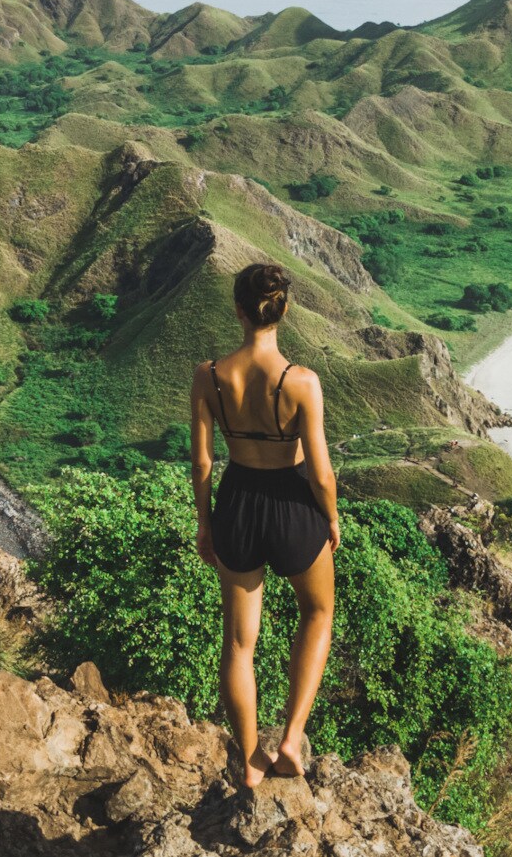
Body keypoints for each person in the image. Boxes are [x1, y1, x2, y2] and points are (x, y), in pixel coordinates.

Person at [189, 262, 338, 788]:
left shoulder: (209, 376)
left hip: (238, 500)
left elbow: (203, 463)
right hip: (294, 501)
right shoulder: (300, 381)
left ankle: (252, 757)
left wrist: (205, 523)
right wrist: (332, 519)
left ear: (237, 308)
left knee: (238, 642)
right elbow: (320, 470)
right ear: (285, 310)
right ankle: (291, 738)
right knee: (318, 612)